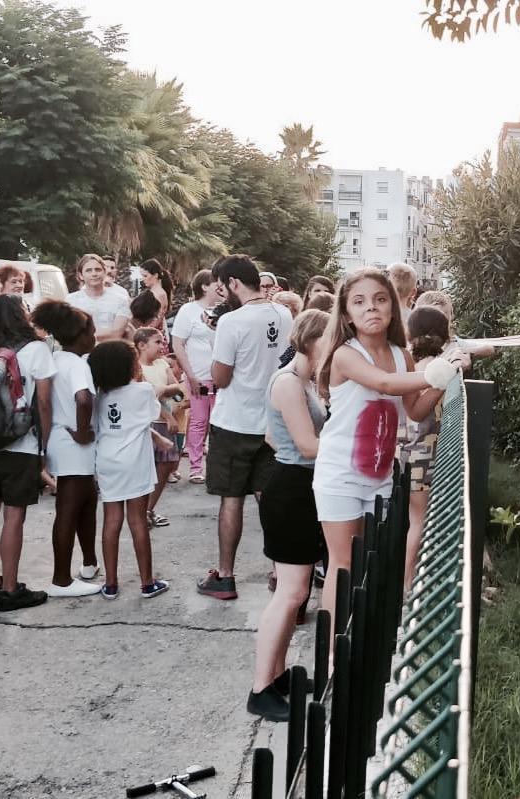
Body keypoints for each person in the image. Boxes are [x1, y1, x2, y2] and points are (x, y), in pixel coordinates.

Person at [313, 268, 464, 635]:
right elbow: (383, 383)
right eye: (359, 301)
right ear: (347, 313)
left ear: (393, 308)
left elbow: (415, 410)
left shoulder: (401, 356)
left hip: (379, 476)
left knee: (370, 566)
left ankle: (359, 637)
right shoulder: (346, 355)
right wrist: (438, 371)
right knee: (342, 565)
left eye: (380, 299)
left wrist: (448, 376)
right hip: (340, 475)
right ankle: (332, 652)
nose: (371, 308)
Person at [247, 309, 330, 721]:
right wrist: (354, 441)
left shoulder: (304, 382)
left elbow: (272, 434)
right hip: (291, 489)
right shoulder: (288, 383)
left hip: (299, 486)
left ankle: (277, 676)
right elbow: (307, 445)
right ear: (312, 340)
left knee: (295, 591)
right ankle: (261, 688)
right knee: (291, 593)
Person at [196, 255, 293, 600]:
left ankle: (225, 576)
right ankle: (281, 572)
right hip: (273, 420)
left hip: (234, 421)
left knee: (232, 498)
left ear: (234, 283)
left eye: (222, 287)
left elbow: (221, 377)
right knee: (270, 498)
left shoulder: (231, 321)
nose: (221, 293)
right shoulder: (284, 314)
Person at [0, 294, 55, 612]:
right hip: (22, 444)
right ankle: (10, 589)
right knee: (14, 516)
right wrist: (45, 443)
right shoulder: (36, 349)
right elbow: (44, 401)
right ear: (23, 316)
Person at [29, 301, 102, 597]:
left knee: (86, 500)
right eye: (92, 332)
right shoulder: (77, 364)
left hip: (60, 439)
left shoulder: (56, 358)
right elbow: (83, 399)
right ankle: (61, 579)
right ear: (79, 335)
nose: (94, 337)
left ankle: (89, 563)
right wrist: (83, 433)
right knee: (69, 508)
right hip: (74, 442)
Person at [89, 340, 170, 600]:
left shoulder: (100, 396)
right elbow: (151, 415)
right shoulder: (143, 390)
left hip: (108, 461)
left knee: (111, 521)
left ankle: (111, 584)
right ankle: (147, 583)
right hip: (135, 461)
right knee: (137, 520)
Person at [399, 306, 455, 589]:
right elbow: (420, 413)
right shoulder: (438, 369)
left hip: (408, 450)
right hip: (424, 453)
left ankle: (408, 580)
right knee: (418, 520)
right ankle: (408, 584)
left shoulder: (414, 366)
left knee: (412, 519)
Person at [170, 269, 220, 484]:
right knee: (199, 420)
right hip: (199, 376)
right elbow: (178, 344)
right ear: (204, 286)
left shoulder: (226, 310)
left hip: (223, 377)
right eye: (216, 283)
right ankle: (196, 467)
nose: (220, 287)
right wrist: (190, 375)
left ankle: (217, 470)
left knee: (219, 424)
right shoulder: (188, 311)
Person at [135, 328, 182, 528]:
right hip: (150, 421)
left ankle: (149, 508)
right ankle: (141, 510)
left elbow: (176, 387)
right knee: (147, 468)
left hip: (163, 422)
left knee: (166, 464)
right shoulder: (136, 367)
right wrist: (168, 415)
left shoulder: (162, 364)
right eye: (158, 342)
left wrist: (162, 389)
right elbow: (147, 397)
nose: (162, 346)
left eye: (163, 341)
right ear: (142, 345)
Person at [67, 254, 130, 342]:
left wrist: (82, 336)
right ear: (81, 275)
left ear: (104, 272)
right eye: (89, 270)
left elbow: (116, 333)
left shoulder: (120, 300)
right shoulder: (70, 301)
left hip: (110, 348)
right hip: (80, 350)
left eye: (98, 270)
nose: (94, 274)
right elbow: (67, 332)